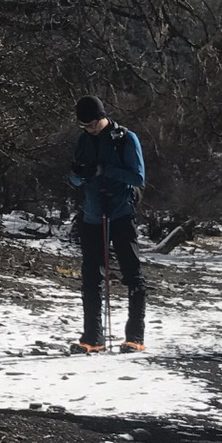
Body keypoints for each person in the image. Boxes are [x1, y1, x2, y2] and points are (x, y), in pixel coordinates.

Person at [68, 95, 147, 354]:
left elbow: (138, 177)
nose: (90, 129)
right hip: (92, 215)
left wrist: (106, 170)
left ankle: (134, 336)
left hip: (121, 214)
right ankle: (93, 337)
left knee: (131, 273)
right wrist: (79, 175)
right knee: (91, 278)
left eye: (93, 124)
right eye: (85, 126)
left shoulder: (125, 138)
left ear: (103, 116)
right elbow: (74, 179)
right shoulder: (83, 140)